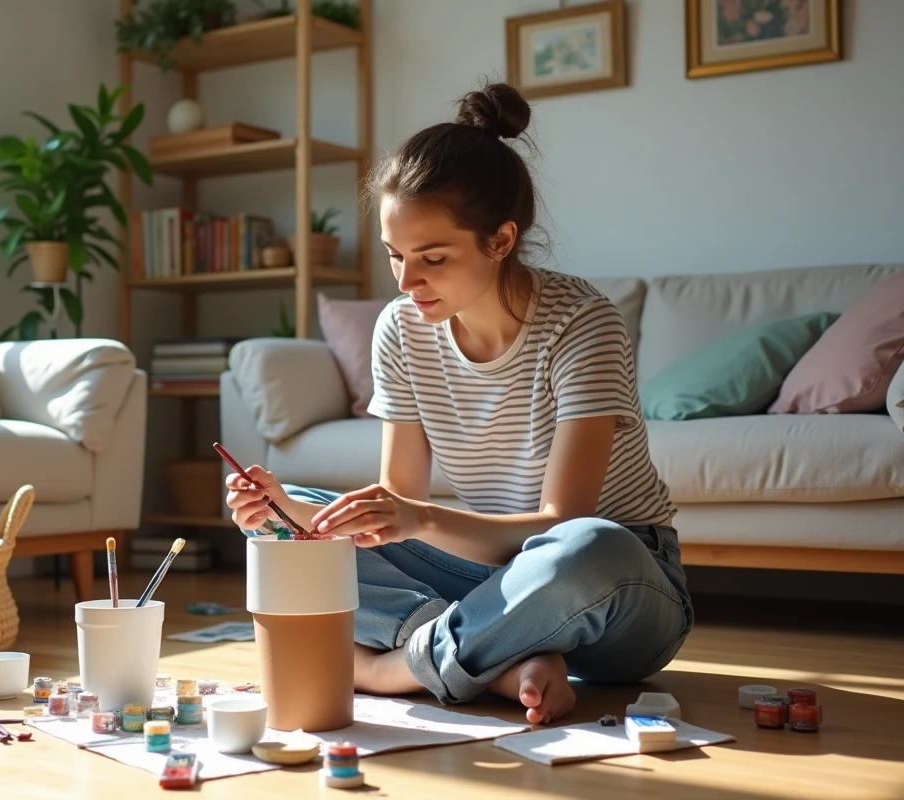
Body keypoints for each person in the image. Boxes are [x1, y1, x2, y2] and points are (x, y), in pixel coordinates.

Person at [224, 80, 693, 725]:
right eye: (395, 256)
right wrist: (288, 512)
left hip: (613, 587)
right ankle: (497, 660)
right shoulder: (400, 328)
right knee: (295, 518)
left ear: (500, 240)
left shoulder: (583, 323)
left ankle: (395, 666)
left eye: (433, 258)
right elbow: (396, 504)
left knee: (591, 545)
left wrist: (415, 520)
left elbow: (559, 526)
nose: (407, 281)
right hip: (487, 575)